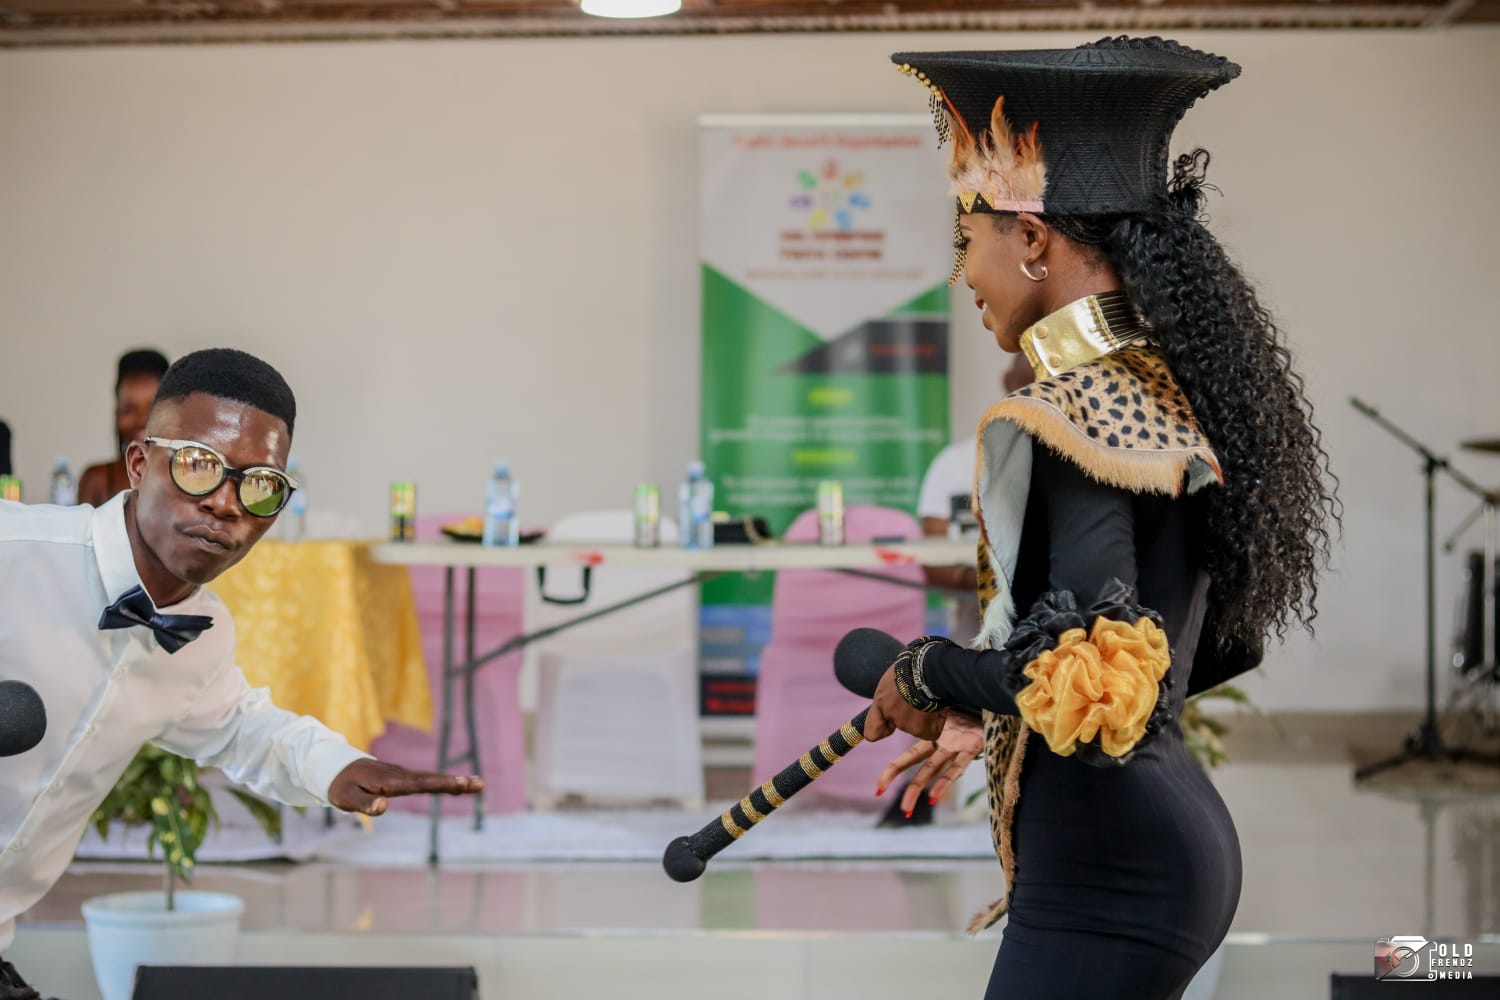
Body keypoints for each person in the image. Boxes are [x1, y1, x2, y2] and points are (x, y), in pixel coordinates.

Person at [863, 38, 1336, 999]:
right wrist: (995, 707)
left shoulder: (1071, 412)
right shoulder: (1162, 388)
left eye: (967, 236)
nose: (963, 272)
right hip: (1160, 841)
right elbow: (1215, 644)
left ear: (1032, 240)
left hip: (1111, 875)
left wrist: (926, 670)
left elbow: (1092, 674)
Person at [0, 348, 481, 1000]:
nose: (227, 504)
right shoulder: (15, 552)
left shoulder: (203, 634)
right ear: (139, 463)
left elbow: (240, 727)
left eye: (259, 484)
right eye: (200, 466)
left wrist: (337, 767)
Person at [78, 349, 171, 508]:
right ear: (117, 413)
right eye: (129, 409)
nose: (141, 419)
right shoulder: (97, 480)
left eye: (152, 407)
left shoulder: (189, 474)